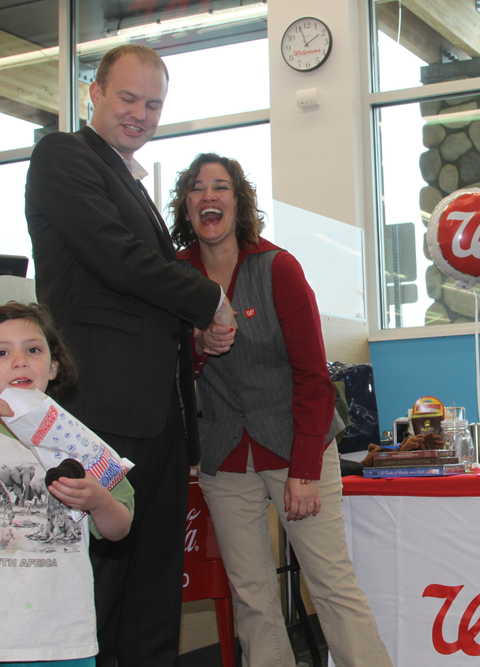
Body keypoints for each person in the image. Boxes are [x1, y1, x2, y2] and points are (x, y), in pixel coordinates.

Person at [24, 44, 236, 667]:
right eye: (128, 98)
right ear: (93, 91)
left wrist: (190, 333)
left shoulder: (131, 179)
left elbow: (137, 290)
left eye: (154, 103)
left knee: (153, 590)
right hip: (101, 417)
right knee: (103, 584)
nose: (141, 113)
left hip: (159, 421)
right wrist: (207, 301)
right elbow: (116, 256)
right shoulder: (63, 156)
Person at [170, 153, 393, 667]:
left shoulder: (278, 268)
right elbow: (168, 369)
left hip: (299, 449)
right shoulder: (175, 276)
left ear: (238, 201)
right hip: (224, 458)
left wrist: (305, 472)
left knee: (332, 587)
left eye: (220, 187)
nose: (209, 196)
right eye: (198, 188)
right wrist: (199, 346)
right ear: (186, 205)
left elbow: (315, 379)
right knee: (252, 599)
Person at [0, 302, 135, 665]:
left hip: (66, 636)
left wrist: (98, 501)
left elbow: (120, 527)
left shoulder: (81, 442)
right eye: (1, 352)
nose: (20, 360)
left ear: (53, 366)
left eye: (33, 350)